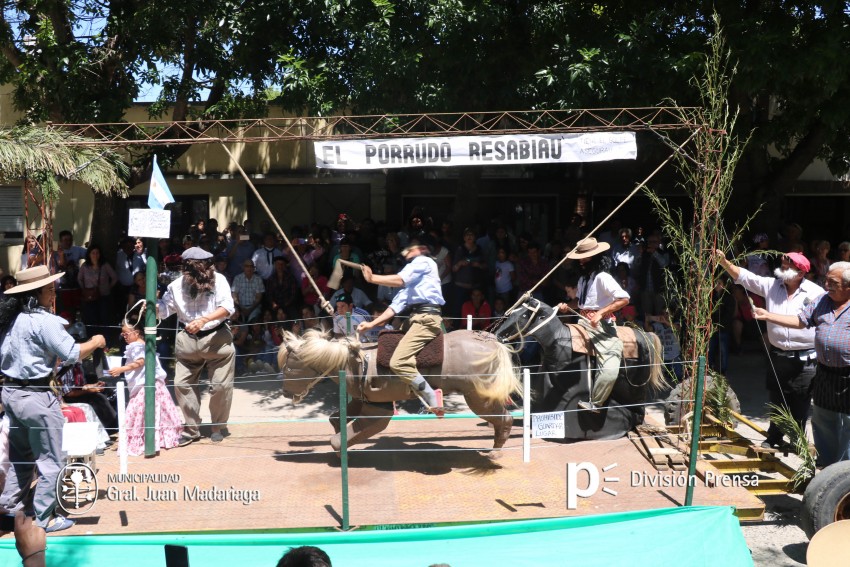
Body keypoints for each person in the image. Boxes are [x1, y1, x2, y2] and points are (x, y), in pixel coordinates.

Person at [0, 266, 107, 565]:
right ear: (36, 293)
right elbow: (72, 353)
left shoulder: (10, 320)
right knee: (50, 462)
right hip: (36, 398)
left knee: (21, 457)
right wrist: (97, 343)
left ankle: (10, 509)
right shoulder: (43, 322)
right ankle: (41, 521)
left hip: (11, 395)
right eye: (49, 288)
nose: (53, 291)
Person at [716, 249, 824, 449]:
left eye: (788, 267)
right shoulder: (773, 285)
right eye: (782, 265)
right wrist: (725, 263)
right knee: (776, 396)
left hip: (804, 357)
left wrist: (768, 316)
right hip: (778, 353)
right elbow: (746, 278)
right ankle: (774, 436)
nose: (782, 269)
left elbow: (804, 322)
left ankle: (797, 440)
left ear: (801, 273)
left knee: (800, 401)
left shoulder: (816, 293)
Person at [752, 261, 850, 467]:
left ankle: (843, 476)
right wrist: (768, 315)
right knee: (823, 421)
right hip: (824, 373)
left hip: (848, 376)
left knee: (848, 426)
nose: (826, 286)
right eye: (826, 281)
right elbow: (801, 320)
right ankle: (826, 467)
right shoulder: (823, 300)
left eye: (832, 283)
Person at [156, 247, 236, 445]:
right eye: (198, 267)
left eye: (206, 266)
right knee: (182, 384)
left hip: (217, 338)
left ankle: (218, 426)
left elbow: (227, 308)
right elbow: (164, 311)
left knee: (220, 386)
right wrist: (153, 307)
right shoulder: (175, 286)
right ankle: (191, 429)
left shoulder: (220, 280)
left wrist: (204, 320)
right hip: (187, 340)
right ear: (187, 268)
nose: (205, 270)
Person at [357, 242, 445, 412]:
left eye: (412, 249)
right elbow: (394, 307)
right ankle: (395, 393)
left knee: (398, 362)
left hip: (426, 319)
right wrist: (371, 325)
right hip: (414, 318)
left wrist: (372, 278)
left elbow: (400, 279)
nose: (407, 252)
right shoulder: (413, 283)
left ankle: (432, 396)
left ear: (423, 249)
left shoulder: (423, 262)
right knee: (388, 342)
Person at [556, 237, 629, 412]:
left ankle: (596, 402)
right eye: (580, 258)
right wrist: (567, 306)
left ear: (595, 258)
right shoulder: (583, 279)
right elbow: (580, 304)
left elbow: (624, 298)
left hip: (601, 326)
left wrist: (600, 313)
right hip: (582, 321)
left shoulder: (603, 277)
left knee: (610, 364)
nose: (581, 261)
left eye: (584, 258)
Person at [109, 308, 183, 455]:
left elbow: (141, 362)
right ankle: (160, 438)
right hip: (152, 383)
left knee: (138, 412)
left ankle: (144, 440)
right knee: (157, 412)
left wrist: (121, 369)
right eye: (122, 333)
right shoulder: (144, 345)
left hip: (145, 385)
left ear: (136, 333)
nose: (124, 336)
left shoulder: (137, 346)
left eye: (126, 333)